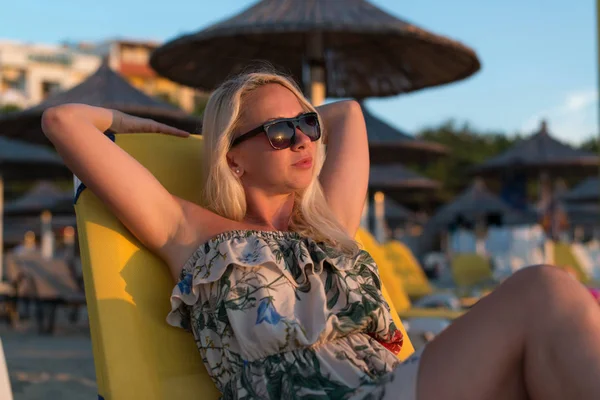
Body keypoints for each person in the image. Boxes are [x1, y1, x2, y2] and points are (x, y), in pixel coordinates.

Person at [42, 70, 600, 400]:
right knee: (544, 291)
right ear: (231, 158)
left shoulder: (327, 226)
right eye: (280, 131)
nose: (305, 139)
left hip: (394, 381)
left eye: (306, 125)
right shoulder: (186, 230)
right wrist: (146, 128)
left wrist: (293, 115)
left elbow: (347, 113)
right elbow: (64, 121)